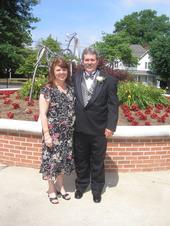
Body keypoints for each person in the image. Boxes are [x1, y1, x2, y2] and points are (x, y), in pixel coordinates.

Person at [73, 47, 119, 203]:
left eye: (92, 59)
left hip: (99, 129)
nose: (89, 62)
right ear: (82, 61)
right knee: (80, 160)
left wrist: (111, 126)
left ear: (97, 61)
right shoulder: (75, 77)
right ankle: (81, 185)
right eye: (86, 59)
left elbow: (113, 105)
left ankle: (97, 189)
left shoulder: (109, 80)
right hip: (79, 128)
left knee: (97, 161)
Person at [39, 57, 75, 204]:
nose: (61, 72)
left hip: (67, 135)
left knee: (63, 162)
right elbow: (42, 114)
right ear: (53, 71)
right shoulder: (47, 89)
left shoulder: (70, 88)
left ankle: (61, 186)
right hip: (53, 134)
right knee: (50, 162)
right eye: (58, 69)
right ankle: (51, 189)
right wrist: (47, 135)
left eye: (64, 69)